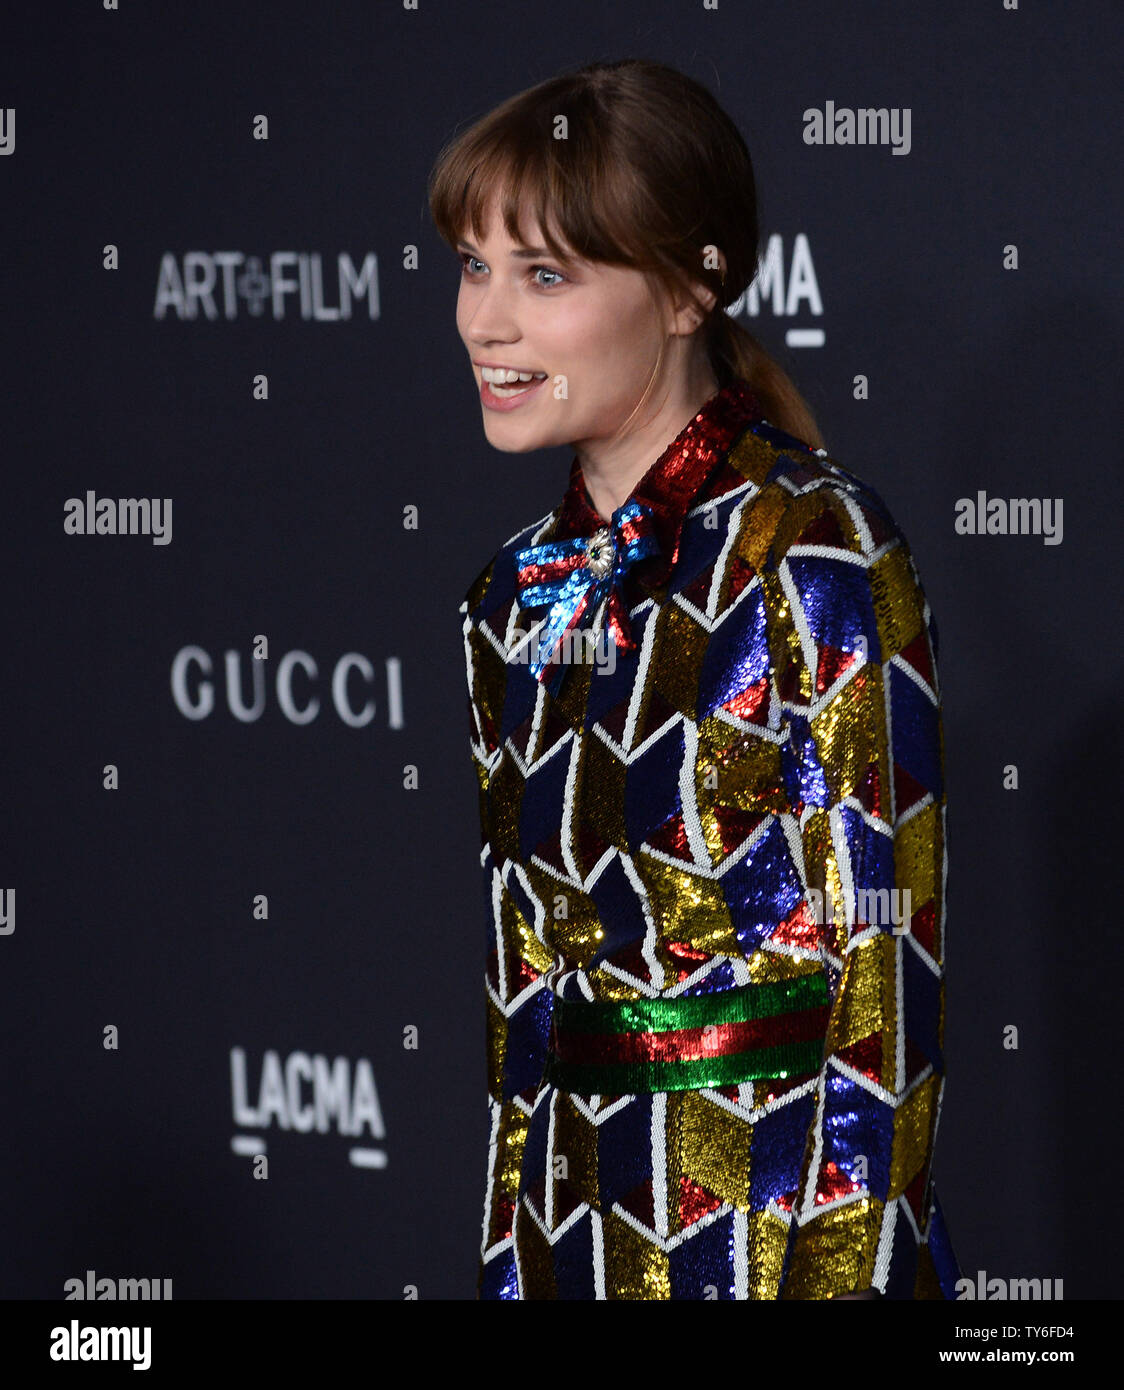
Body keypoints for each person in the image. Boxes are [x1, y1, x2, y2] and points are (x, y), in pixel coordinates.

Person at [429, 57, 961, 1300]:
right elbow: (523, 1000)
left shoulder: (812, 545)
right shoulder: (508, 596)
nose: (484, 320)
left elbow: (887, 973)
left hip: (767, 1239)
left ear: (684, 290)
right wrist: (509, 1264)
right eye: (471, 264)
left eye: (544, 274)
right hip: (573, 1236)